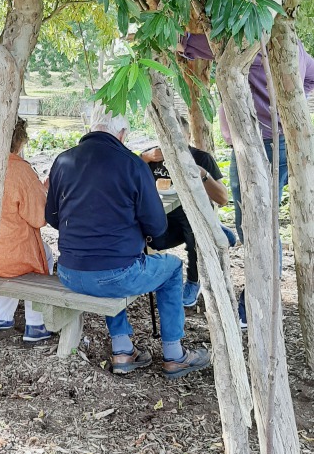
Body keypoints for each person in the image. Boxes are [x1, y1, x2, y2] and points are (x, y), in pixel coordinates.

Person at [45, 102, 210, 379]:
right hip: (113, 275)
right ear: (122, 133)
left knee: (113, 261)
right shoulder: (133, 164)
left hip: (69, 273)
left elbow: (51, 217)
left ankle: (123, 349)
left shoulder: (63, 160)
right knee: (170, 268)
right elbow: (158, 227)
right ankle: (174, 354)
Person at [179, 33, 314, 325]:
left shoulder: (251, 38)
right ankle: (262, 296)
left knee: (254, 225)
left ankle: (257, 302)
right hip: (275, 143)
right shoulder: (291, 42)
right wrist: (288, 105)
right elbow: (311, 77)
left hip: (257, 144)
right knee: (264, 222)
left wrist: (159, 33)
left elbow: (192, 42)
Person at [141, 115, 236, 308]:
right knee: (153, 240)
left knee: (193, 226)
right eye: (166, 138)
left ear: (188, 136)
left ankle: (194, 280)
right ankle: (215, 228)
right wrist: (143, 158)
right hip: (164, 221)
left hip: (193, 218)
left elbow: (223, 199)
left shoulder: (201, 158)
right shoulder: (152, 157)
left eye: (178, 138)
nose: (172, 144)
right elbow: (132, 180)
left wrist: (202, 174)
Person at [0, 118, 53, 342]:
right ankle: (36, 323)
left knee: (11, 257)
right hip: (13, 255)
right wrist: (42, 190)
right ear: (20, 141)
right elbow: (39, 218)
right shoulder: (19, 170)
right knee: (44, 255)